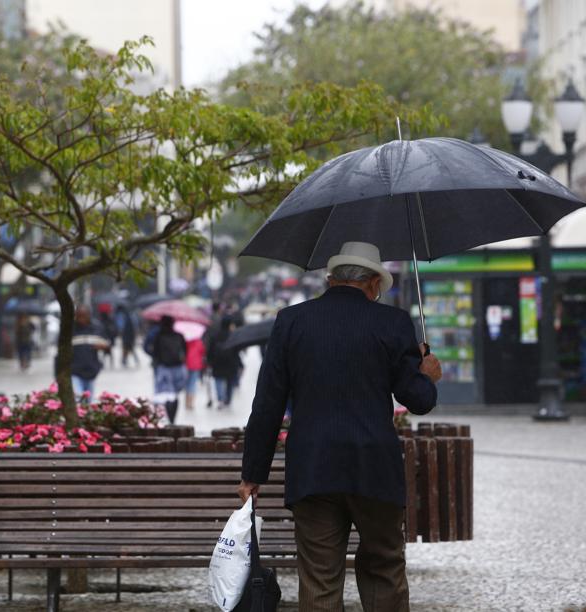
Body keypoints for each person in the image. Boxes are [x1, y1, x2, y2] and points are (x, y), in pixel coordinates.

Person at [239, 241, 442, 612]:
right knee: (384, 568)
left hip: (313, 468)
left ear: (330, 280)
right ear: (373, 284)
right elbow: (419, 401)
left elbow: (268, 402)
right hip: (374, 469)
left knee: (319, 577)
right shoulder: (393, 323)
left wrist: (253, 473)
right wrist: (426, 374)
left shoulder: (291, 321)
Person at [146, 315, 188, 423]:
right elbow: (185, 351)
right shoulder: (179, 335)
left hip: (163, 368)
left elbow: (154, 352)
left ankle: (166, 416)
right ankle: (173, 418)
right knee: (174, 395)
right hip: (178, 368)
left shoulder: (158, 336)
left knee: (164, 395)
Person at [70, 306, 110, 396]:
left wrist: (103, 347)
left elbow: (107, 345)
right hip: (75, 370)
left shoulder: (97, 328)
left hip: (91, 370)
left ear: (89, 316)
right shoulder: (70, 329)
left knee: (89, 401)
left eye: (84, 316)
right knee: (78, 397)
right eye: (79, 316)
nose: (81, 319)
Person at [206, 316, 242, 409]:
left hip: (217, 362)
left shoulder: (215, 335)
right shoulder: (233, 335)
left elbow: (210, 349)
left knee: (218, 380)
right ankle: (228, 399)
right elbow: (237, 350)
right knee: (229, 381)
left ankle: (220, 399)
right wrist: (239, 363)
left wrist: (209, 361)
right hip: (231, 362)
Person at [184, 335, 206, 410]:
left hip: (187, 364)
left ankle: (186, 402)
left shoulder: (186, 341)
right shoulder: (199, 342)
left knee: (187, 383)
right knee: (192, 384)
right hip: (196, 365)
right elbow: (203, 352)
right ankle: (191, 403)